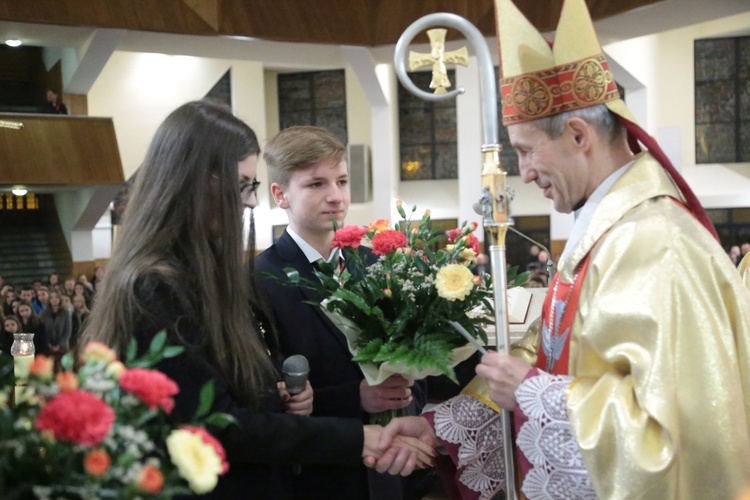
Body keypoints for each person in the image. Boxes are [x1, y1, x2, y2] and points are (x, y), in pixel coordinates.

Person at [376, 1, 750, 499]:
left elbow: (675, 440)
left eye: (526, 150)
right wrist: (445, 425)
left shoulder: (655, 243)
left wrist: (533, 393)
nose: (523, 173)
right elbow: (547, 352)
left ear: (578, 134)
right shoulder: (607, 231)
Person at [79, 101, 430, 499]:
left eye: (252, 186)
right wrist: (358, 437)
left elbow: (232, 387)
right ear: (198, 183)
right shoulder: (157, 286)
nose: (249, 201)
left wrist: (276, 392)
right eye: (243, 185)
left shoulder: (199, 276)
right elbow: (214, 423)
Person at [256, 125, 428, 500]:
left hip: (395, 462)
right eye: (316, 184)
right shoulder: (260, 279)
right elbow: (269, 396)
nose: (336, 196)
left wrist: (406, 399)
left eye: (342, 181)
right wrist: (357, 397)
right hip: (319, 474)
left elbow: (416, 356)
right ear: (280, 194)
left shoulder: (377, 264)